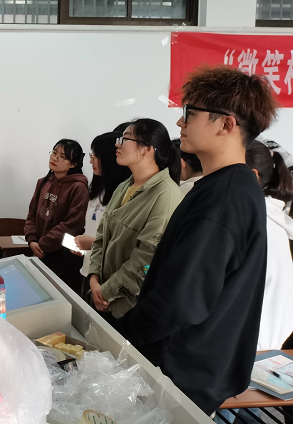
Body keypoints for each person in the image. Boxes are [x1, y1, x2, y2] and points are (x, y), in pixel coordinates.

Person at [114, 67, 278, 416]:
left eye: (190, 113)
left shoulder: (224, 198)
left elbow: (180, 301)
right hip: (191, 374)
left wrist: (117, 337)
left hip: (179, 382)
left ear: (226, 124)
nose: (180, 122)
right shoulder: (230, 187)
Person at [87, 119, 182, 323]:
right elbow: (101, 236)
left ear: (148, 148)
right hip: (102, 295)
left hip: (128, 308)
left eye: (125, 139)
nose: (117, 144)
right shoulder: (125, 186)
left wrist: (106, 292)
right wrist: (94, 277)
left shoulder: (165, 195)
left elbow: (146, 260)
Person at [245, 140, 293, 351]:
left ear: (252, 175)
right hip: (265, 344)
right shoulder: (272, 219)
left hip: (249, 346)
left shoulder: (256, 221)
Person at [25, 139, 89, 295]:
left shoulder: (79, 187)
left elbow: (72, 224)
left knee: (61, 300)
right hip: (39, 249)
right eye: (54, 153)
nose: (55, 158)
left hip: (63, 256)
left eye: (62, 157)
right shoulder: (42, 182)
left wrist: (42, 245)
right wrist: (32, 240)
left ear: (73, 164)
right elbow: (31, 215)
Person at [73, 132, 131, 300]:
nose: (91, 161)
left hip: (106, 277)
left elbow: (123, 244)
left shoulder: (124, 195)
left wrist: (91, 243)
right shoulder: (97, 191)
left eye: (95, 156)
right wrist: (82, 245)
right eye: (91, 155)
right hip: (87, 269)